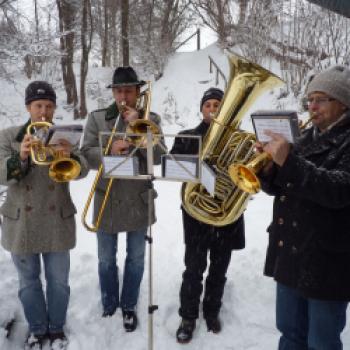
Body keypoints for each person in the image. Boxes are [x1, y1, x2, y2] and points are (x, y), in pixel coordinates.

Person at [258, 65, 350, 349]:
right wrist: (268, 167)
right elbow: (280, 188)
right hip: (291, 254)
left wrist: (290, 162)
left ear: (343, 103)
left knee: (321, 341)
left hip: (327, 261)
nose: (312, 106)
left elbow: (338, 190)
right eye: (310, 99)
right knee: (289, 334)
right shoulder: (304, 136)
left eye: (321, 99)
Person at [0, 81, 88, 350]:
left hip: (56, 220)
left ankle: (57, 327)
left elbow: (82, 169)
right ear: (28, 107)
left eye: (49, 106)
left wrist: (70, 154)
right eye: (38, 105)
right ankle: (37, 329)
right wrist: (22, 157)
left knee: (59, 282)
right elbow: (2, 174)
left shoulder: (64, 134)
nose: (44, 111)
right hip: (22, 222)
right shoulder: (9, 136)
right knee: (28, 282)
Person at [81, 66, 166, 332]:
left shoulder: (150, 117)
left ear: (137, 92)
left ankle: (129, 305)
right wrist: (109, 149)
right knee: (106, 258)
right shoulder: (96, 119)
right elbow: (85, 154)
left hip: (138, 198)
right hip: (107, 195)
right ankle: (109, 302)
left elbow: (161, 156)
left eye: (128, 91)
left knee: (136, 258)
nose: (123, 97)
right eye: (118, 90)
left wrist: (140, 133)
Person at [171, 87, 245, 344]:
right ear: (201, 109)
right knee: (193, 268)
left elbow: (247, 175)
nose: (213, 109)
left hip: (226, 215)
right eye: (209, 105)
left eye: (217, 105)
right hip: (196, 215)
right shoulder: (187, 136)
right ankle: (188, 316)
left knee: (219, 268)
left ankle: (212, 311)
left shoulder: (239, 139)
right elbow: (175, 167)